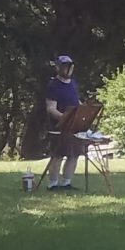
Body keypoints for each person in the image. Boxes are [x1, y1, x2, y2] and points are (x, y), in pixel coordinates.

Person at [34, 53, 83, 193]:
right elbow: (51, 109)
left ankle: (67, 183)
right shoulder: (53, 85)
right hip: (58, 128)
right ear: (58, 68)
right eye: (64, 66)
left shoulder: (73, 83)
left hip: (74, 127)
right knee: (58, 156)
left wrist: (82, 113)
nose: (67, 69)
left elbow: (76, 101)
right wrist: (65, 118)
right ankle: (53, 184)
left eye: (70, 66)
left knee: (74, 155)